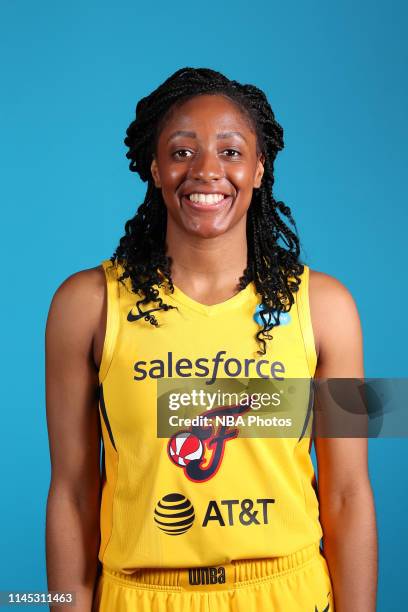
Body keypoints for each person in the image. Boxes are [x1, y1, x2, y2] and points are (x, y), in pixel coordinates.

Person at [45, 67, 377, 611]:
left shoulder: (329, 308)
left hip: (288, 594)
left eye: (230, 152)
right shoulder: (85, 306)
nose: (206, 171)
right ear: (154, 168)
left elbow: (348, 493)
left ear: (259, 168)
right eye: (181, 152)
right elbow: (72, 493)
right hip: (140, 596)